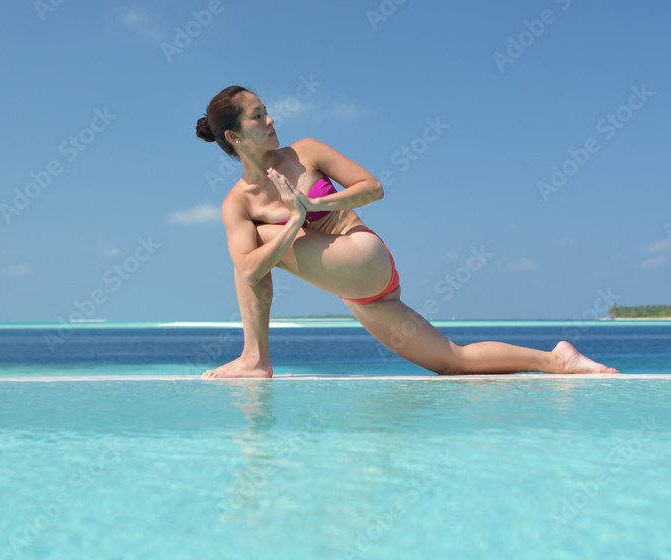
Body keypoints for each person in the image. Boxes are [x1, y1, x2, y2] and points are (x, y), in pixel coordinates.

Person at [195, 86, 618, 377]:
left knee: (254, 248)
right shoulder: (237, 202)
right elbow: (250, 271)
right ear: (234, 136)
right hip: (361, 294)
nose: (271, 118)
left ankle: (255, 358)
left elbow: (373, 188)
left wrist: (312, 206)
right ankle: (558, 361)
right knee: (452, 361)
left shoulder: (305, 151)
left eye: (267, 110)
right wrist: (292, 223)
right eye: (258, 116)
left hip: (361, 254)